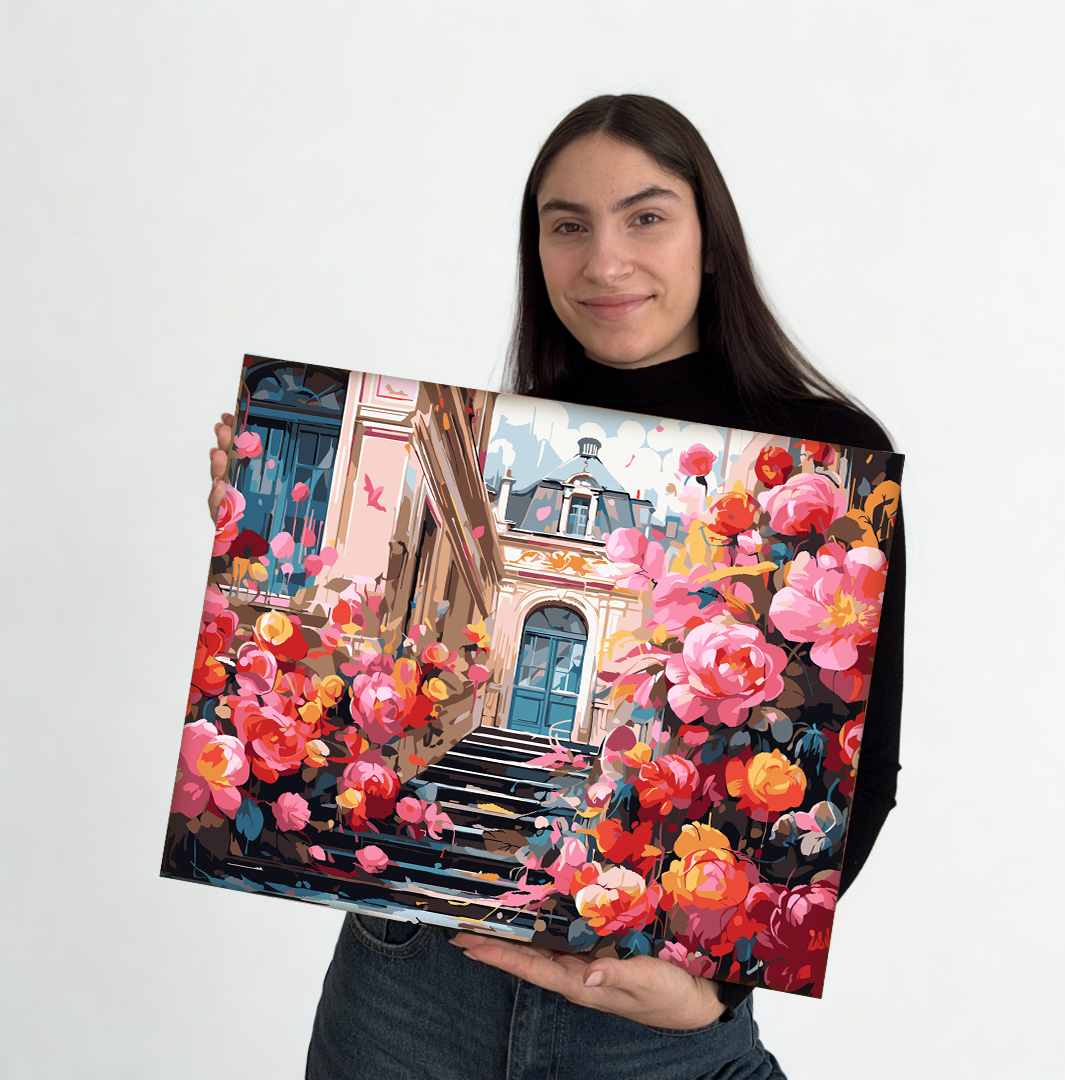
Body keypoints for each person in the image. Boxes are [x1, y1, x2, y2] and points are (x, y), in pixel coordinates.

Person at [208, 94, 903, 1080]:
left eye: (645, 217)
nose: (604, 261)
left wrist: (715, 990)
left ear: (711, 241)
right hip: (408, 986)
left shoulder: (823, 466)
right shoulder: (497, 430)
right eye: (567, 226)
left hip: (649, 1025)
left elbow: (862, 772)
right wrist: (266, 524)